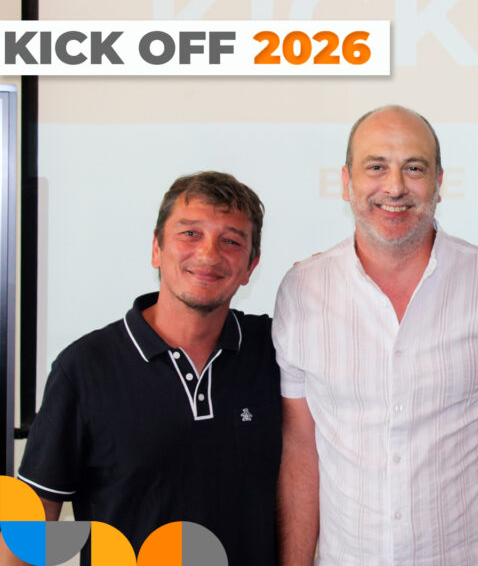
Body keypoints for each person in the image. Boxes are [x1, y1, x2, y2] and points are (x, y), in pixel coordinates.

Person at [273, 105, 478, 566]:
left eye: (414, 168)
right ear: (346, 182)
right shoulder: (301, 291)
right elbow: (301, 450)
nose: (395, 187)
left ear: (439, 183)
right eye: (376, 167)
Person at [10, 172, 281, 565]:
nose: (208, 254)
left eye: (231, 241)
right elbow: (31, 526)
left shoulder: (276, 350)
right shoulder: (84, 368)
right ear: (157, 248)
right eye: (190, 234)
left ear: (250, 266)